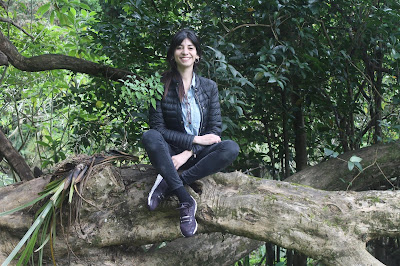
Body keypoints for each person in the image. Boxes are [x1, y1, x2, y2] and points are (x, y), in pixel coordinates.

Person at [141, 29, 239, 237]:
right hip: (168, 153)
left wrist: (188, 151)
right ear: (172, 54)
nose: (185, 52)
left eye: (190, 48)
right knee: (150, 136)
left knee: (230, 147)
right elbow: (158, 128)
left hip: (195, 155)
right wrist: (194, 139)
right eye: (179, 47)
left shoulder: (209, 87)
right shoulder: (158, 86)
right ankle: (185, 200)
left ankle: (170, 183)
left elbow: (214, 131)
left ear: (197, 55)